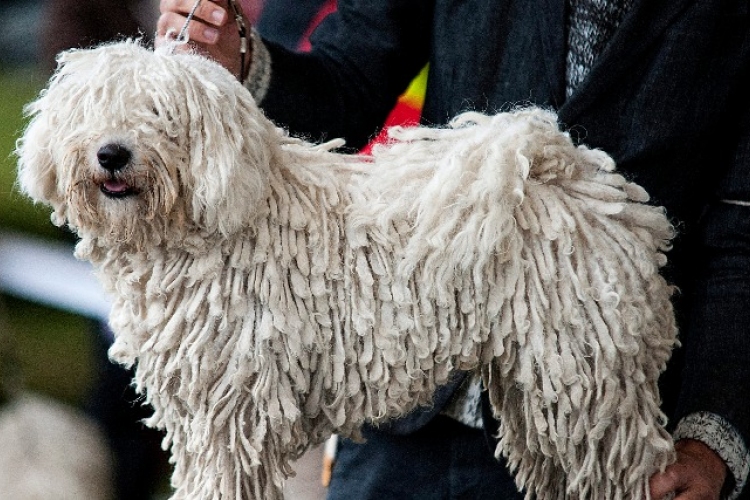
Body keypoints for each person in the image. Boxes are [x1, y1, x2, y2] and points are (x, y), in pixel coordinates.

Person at [156, 1, 750, 499]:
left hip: (610, 425)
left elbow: (741, 228)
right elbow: (347, 81)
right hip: (407, 411)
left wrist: (714, 435)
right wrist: (243, 61)